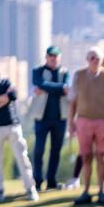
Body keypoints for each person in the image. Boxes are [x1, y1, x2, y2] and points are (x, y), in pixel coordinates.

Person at [68, 47, 104, 205]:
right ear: (87, 60)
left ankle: (101, 191)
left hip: (103, 121)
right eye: (92, 58)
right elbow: (73, 101)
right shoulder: (79, 76)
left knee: (102, 156)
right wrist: (71, 122)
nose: (95, 61)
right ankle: (85, 191)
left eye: (97, 58)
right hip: (84, 120)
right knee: (85, 157)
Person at [0, 59, 37, 202]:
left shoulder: (6, 83)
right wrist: (3, 99)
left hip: (12, 126)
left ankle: (30, 189)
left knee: (22, 158)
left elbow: (13, 96)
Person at [30, 45, 69, 191]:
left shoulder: (65, 72)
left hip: (60, 118)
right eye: (51, 56)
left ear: (59, 58)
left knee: (56, 150)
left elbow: (67, 87)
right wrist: (59, 88)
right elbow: (40, 83)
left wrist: (47, 88)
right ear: (46, 57)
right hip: (42, 118)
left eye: (56, 56)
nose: (53, 58)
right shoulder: (37, 71)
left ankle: (51, 181)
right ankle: (38, 181)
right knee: (39, 150)